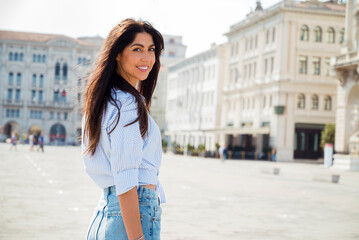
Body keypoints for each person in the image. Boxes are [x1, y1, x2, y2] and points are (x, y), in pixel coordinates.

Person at [82, 19, 165, 240]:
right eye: (137, 49)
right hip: (130, 216)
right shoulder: (126, 103)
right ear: (117, 53)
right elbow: (126, 178)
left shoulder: (106, 99)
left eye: (151, 50)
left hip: (107, 212)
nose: (147, 57)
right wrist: (137, 238)